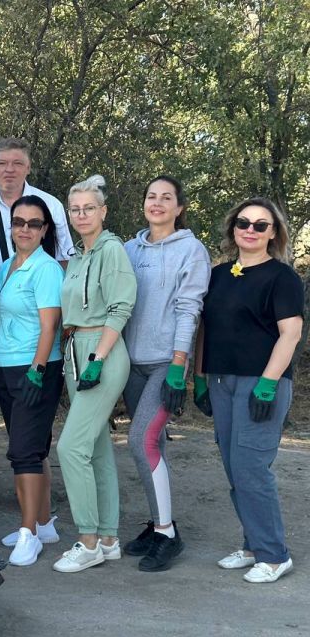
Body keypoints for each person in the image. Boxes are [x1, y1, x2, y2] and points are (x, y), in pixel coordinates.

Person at [194, 197, 302, 583]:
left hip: (263, 384)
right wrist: (200, 377)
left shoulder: (282, 277)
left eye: (261, 225)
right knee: (233, 467)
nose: (251, 230)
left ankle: (274, 555)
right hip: (222, 381)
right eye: (244, 223)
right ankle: (254, 544)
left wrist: (269, 384)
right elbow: (206, 329)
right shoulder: (219, 275)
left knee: (251, 468)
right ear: (233, 228)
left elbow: (290, 334)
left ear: (273, 233)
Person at [0, 138, 75, 504]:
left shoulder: (50, 205)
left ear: (28, 167)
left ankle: (33, 470)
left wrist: (57, 317)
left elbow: (63, 258)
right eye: (2, 163)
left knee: (31, 411)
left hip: (35, 313)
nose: (9, 170)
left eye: (17, 163)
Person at [121, 176, 211, 571]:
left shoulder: (191, 250)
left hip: (164, 364)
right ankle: (160, 523)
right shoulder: (127, 249)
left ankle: (168, 534)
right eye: (151, 196)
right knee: (152, 446)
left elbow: (189, 309)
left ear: (179, 208)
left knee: (142, 440)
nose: (157, 203)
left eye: (166, 198)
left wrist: (179, 365)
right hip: (129, 364)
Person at [53, 174, 136, 573]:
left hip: (100, 351)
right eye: (75, 209)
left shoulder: (111, 249)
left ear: (103, 211)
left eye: (89, 208)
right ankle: (107, 537)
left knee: (70, 447)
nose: (82, 214)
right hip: (75, 350)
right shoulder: (78, 253)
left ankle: (86, 541)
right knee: (97, 445)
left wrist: (98, 359)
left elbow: (120, 308)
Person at [0, 195, 65, 566]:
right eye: (18, 222)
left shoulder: (47, 269)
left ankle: (29, 534)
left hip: (35, 369)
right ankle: (43, 522)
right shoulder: (6, 267)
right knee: (34, 448)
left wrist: (37, 368)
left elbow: (50, 324)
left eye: (33, 223)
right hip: (6, 366)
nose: (24, 229)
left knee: (22, 452)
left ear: (44, 229)